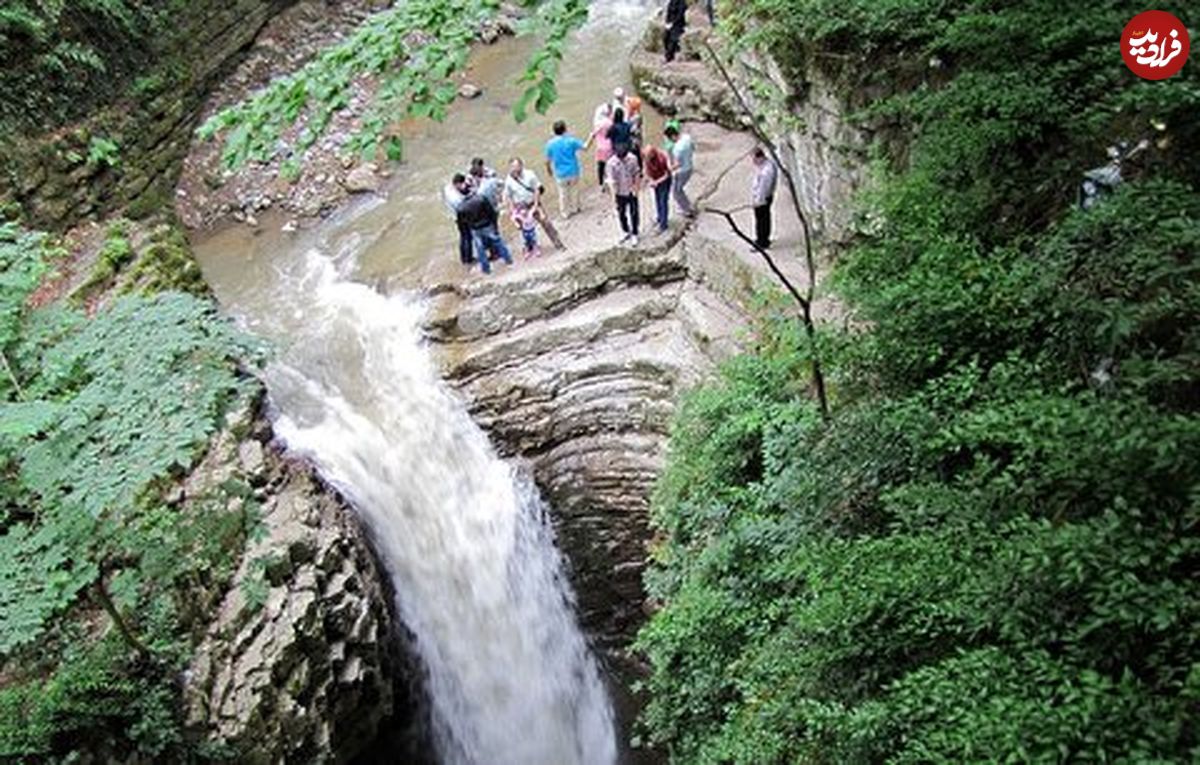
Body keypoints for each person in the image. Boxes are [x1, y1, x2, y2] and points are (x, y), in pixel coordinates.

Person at [503, 157, 565, 250]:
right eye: (513, 166)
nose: (515, 169)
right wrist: (513, 212)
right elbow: (509, 196)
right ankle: (530, 246)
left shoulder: (529, 174)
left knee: (545, 222)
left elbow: (536, 190)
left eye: (517, 166)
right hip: (520, 207)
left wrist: (536, 205)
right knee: (524, 228)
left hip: (532, 203)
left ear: (521, 165)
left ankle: (558, 243)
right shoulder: (508, 180)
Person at [455, 180, 512, 274]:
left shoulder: (461, 207)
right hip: (487, 225)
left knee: (480, 250)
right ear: (470, 190)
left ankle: (486, 270)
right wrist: (494, 224)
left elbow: (462, 224)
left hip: (475, 229)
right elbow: (491, 212)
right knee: (499, 242)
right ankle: (508, 261)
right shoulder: (481, 198)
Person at [543, 120, 586, 219]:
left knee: (563, 193)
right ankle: (575, 208)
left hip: (560, 173)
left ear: (554, 131)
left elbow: (547, 161)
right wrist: (592, 137)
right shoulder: (571, 141)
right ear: (565, 129)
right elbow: (585, 147)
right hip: (573, 171)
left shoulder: (550, 144)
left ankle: (565, 213)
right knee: (574, 190)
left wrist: (549, 171)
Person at [605, 143, 642, 246]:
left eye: (624, 157)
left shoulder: (633, 159)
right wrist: (614, 199)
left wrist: (636, 188)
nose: (622, 160)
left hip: (631, 190)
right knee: (621, 213)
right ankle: (625, 231)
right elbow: (612, 182)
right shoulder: (611, 163)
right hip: (619, 192)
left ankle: (635, 232)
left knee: (634, 212)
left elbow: (637, 173)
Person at [664, 121, 696, 217]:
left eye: (670, 138)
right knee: (680, 189)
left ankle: (686, 210)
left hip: (682, 171)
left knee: (676, 192)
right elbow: (693, 148)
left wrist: (669, 169)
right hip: (690, 167)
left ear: (673, 136)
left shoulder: (677, 149)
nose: (670, 141)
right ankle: (688, 205)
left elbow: (678, 164)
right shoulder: (687, 137)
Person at [750, 147, 778, 249]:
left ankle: (762, 242)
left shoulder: (766, 171)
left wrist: (758, 201)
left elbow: (763, 188)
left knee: (761, 220)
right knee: (764, 218)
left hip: (763, 199)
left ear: (760, 157)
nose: (753, 162)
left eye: (754, 159)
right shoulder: (765, 166)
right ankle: (762, 239)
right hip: (764, 197)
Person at [443, 173, 473, 266]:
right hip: (461, 217)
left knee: (463, 238)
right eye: (462, 184)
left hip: (455, 216)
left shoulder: (447, 188)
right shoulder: (456, 198)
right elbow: (463, 205)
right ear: (457, 184)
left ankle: (464, 258)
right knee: (467, 238)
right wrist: (470, 194)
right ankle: (468, 259)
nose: (463, 185)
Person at [642, 144, 672, 233]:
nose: (646, 158)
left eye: (648, 156)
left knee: (663, 201)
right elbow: (646, 170)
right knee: (657, 199)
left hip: (664, 181)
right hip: (655, 179)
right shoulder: (646, 158)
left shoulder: (661, 158)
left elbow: (667, 174)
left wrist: (656, 182)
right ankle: (659, 217)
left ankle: (663, 224)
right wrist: (649, 179)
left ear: (652, 154)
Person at [586, 110, 615, 187]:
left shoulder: (598, 124)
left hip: (600, 148)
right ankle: (611, 181)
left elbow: (593, 134)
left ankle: (601, 183)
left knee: (600, 166)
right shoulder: (611, 122)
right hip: (610, 147)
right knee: (610, 165)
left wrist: (586, 145)